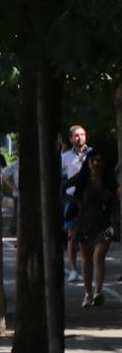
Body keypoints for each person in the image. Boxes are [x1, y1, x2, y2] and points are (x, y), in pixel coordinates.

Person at [70, 148, 117, 306]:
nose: (96, 163)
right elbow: (64, 187)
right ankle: (88, 293)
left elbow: (116, 199)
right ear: (88, 163)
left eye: (99, 160)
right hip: (85, 223)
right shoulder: (83, 178)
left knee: (99, 256)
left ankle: (98, 292)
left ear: (104, 163)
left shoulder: (110, 180)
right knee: (86, 259)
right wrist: (78, 205)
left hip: (106, 225)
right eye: (93, 160)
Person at [64, 126, 89, 283]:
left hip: (91, 200)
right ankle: (73, 270)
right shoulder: (65, 157)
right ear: (71, 139)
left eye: (82, 134)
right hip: (72, 200)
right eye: (76, 135)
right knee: (72, 237)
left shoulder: (94, 154)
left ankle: (91, 266)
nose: (80, 137)